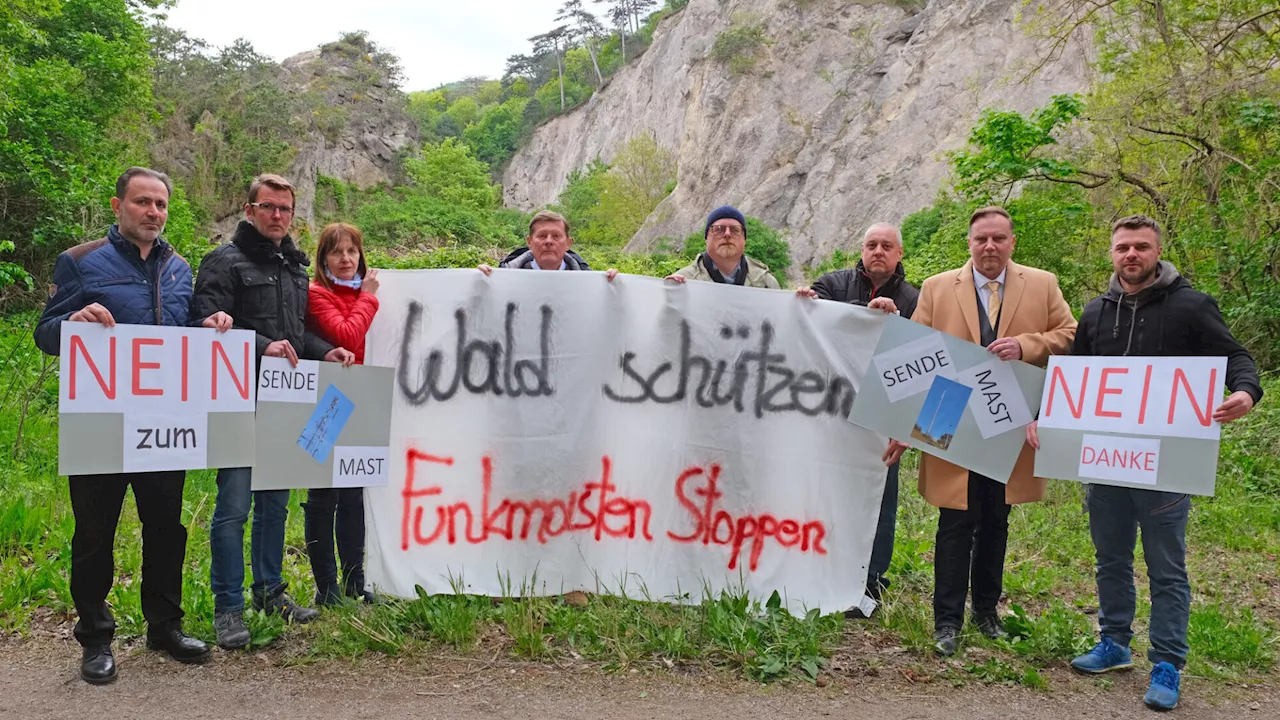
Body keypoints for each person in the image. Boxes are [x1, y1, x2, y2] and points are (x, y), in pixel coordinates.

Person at [1027, 215, 1261, 711]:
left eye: (1140, 247)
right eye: (1122, 248)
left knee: (1166, 567)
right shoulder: (1095, 312)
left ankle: (1168, 663)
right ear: (1111, 253)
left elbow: (1236, 356)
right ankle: (1114, 643)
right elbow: (1074, 379)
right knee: (1110, 559)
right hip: (1106, 460)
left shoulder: (1192, 306)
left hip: (1169, 464)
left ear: (1158, 251)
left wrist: (1245, 392)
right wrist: (1044, 417)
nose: (1130, 255)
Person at [34, 167, 229, 684]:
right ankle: (95, 637)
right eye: (143, 202)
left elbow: (182, 339)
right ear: (118, 205)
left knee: (166, 528)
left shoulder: (179, 268)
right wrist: (70, 324)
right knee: (94, 533)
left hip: (164, 424)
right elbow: (45, 333)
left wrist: (207, 329)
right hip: (101, 422)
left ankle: (164, 626)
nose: (153, 213)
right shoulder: (79, 261)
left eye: (161, 204)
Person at [885, 206, 1076, 656]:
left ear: (1012, 241)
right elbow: (914, 354)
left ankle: (986, 613)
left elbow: (1069, 333)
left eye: (998, 239)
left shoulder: (1043, 283)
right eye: (981, 240)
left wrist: (1028, 345)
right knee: (954, 520)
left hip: (1011, 412)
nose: (989, 247)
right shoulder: (936, 287)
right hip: (949, 410)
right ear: (969, 243)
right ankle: (946, 621)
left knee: (996, 518)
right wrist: (901, 426)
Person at [191, 173, 356, 649]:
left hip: (285, 401)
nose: (278, 216)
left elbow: (296, 337)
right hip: (237, 401)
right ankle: (228, 608)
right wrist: (263, 345)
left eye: (285, 208)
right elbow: (207, 324)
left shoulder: (294, 268)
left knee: (274, 506)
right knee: (234, 507)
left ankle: (269, 593)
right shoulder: (223, 261)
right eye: (269, 207)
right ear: (249, 210)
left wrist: (325, 351)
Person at [796, 223, 918, 615]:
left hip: (883, 414)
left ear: (899, 253)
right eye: (871, 245)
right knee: (823, 491)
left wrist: (895, 320)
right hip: (829, 410)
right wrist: (805, 303)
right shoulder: (832, 284)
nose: (878, 251)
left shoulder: (916, 298)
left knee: (880, 499)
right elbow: (812, 320)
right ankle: (817, 567)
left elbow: (927, 351)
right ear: (861, 250)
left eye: (886, 246)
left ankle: (871, 583)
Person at [303, 223, 379, 605]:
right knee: (323, 495)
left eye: (352, 251)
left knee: (353, 494)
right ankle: (326, 588)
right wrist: (369, 298)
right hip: (328, 403)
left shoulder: (369, 290)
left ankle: (355, 581)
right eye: (337, 252)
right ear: (323, 258)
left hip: (364, 400)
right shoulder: (316, 294)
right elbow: (347, 336)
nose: (346, 259)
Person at [666, 206, 782, 289]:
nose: (727, 234)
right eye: (718, 229)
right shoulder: (682, 282)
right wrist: (667, 296)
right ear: (706, 238)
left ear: (744, 239)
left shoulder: (766, 283)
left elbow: (779, 321)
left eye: (735, 230)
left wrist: (798, 305)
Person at [478, 210, 615, 278]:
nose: (549, 241)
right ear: (529, 242)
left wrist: (615, 287)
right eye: (542, 236)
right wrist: (478, 283)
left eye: (556, 236)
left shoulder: (589, 284)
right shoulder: (503, 278)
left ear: (568, 243)